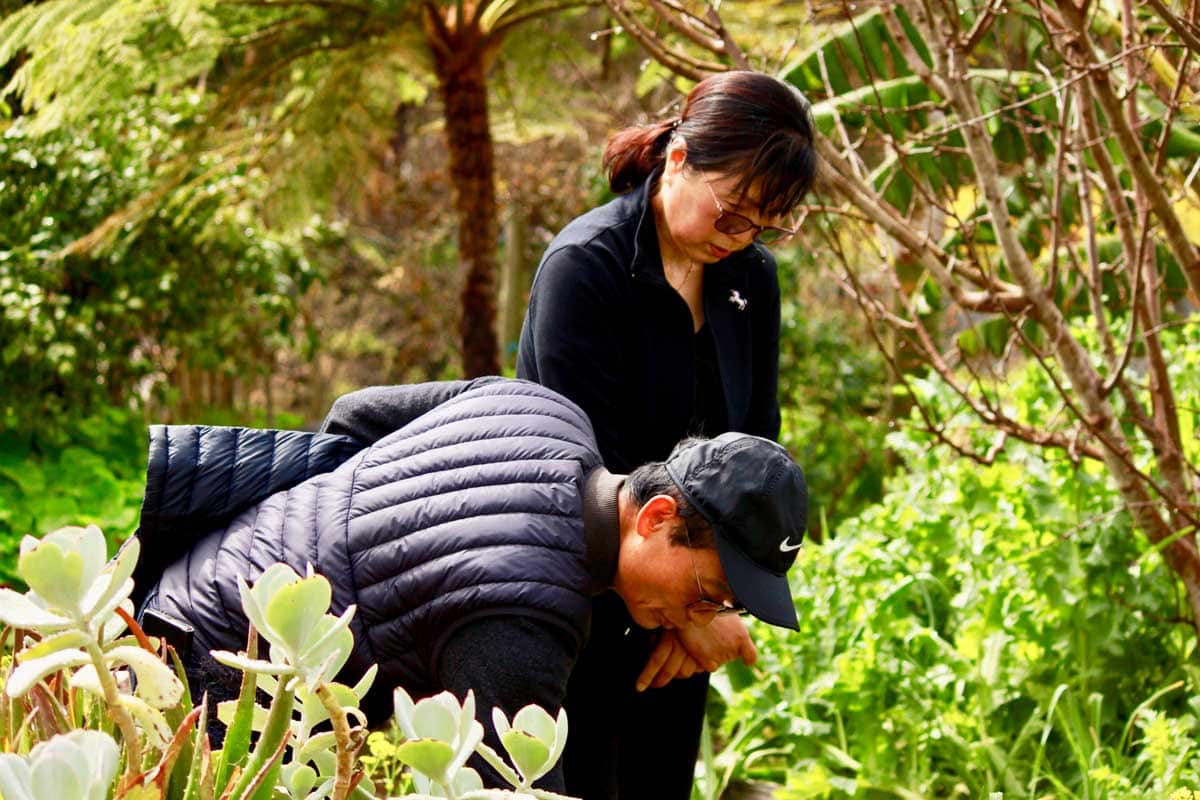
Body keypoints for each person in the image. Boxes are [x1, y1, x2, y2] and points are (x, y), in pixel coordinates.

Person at [131, 377, 808, 792]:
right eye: (709, 592)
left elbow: (355, 412)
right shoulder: (528, 619)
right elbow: (511, 787)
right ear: (657, 517)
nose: (701, 616)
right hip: (208, 696)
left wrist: (354, 537)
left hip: (181, 581)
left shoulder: (541, 409)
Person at [516, 70, 817, 798]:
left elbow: (757, 446)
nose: (741, 237)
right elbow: (581, 462)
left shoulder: (750, 278)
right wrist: (695, 617)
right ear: (678, 158)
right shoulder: (586, 269)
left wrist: (710, 606)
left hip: (688, 606)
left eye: (763, 226)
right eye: (733, 213)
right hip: (584, 602)